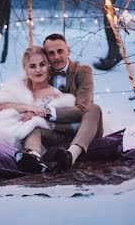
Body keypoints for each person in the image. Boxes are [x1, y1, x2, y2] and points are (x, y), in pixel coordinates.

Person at [17, 33, 103, 172]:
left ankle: (71, 156)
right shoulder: (43, 71)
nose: (57, 57)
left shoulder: (82, 71)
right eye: (51, 53)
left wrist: (44, 113)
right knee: (34, 126)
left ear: (68, 50)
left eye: (60, 51)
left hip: (83, 129)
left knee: (93, 108)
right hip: (56, 131)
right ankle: (33, 158)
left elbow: (82, 108)